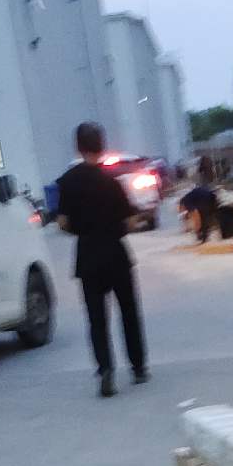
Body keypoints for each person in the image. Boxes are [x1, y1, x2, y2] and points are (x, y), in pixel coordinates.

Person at [55, 122, 149, 398]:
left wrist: (82, 230)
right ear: (102, 145)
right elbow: (130, 221)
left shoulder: (67, 182)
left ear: (77, 146)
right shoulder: (113, 182)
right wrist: (117, 228)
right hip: (116, 254)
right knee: (128, 313)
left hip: (87, 255)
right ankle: (138, 367)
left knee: (97, 319)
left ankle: (106, 370)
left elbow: (62, 222)